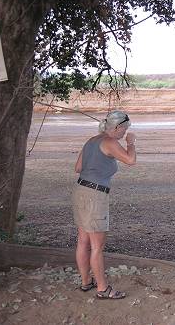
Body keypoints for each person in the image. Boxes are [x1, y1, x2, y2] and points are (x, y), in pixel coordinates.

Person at [72, 110, 136, 299]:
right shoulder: (109, 142)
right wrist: (130, 144)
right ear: (116, 127)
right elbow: (131, 160)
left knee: (83, 241)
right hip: (94, 195)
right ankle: (103, 288)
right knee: (97, 246)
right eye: (124, 129)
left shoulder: (92, 140)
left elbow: (77, 168)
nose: (125, 133)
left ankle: (86, 282)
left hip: (80, 191)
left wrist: (97, 165)